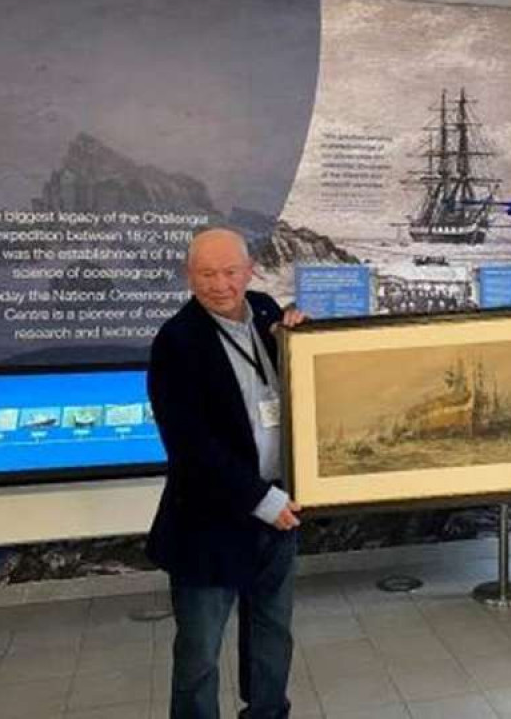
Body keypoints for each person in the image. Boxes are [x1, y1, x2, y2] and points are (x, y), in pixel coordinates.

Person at [146, 227, 306, 719]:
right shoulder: (176, 341)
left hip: (280, 512)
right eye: (206, 274)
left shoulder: (265, 312)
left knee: (272, 632)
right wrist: (263, 500)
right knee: (199, 654)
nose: (220, 284)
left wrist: (304, 337)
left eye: (230, 271)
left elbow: (299, 389)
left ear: (250, 269)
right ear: (188, 276)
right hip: (209, 524)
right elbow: (192, 447)